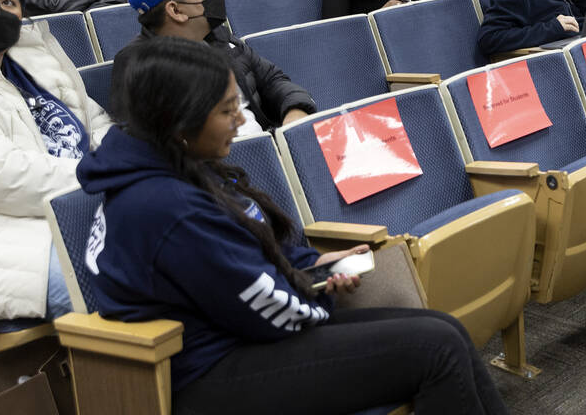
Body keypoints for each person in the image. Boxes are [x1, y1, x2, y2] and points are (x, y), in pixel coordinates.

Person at [84, 37, 506, 414]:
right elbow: (269, 311)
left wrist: (317, 267)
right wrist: (316, 291)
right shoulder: (166, 206)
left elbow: (257, 245)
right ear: (180, 122)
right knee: (436, 349)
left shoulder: (172, 161)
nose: (241, 121)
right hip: (211, 373)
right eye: (227, 111)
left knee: (444, 328)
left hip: (241, 335)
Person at [0, 0, 111, 324]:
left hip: (79, 206)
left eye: (9, 2)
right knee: (122, 289)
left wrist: (123, 165)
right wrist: (108, 175)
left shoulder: (32, 55)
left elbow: (97, 123)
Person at [109, 0, 316, 132]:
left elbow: (271, 78)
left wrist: (295, 110)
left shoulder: (219, 36)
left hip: (270, 143)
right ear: (176, 11)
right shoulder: (138, 64)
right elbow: (147, 141)